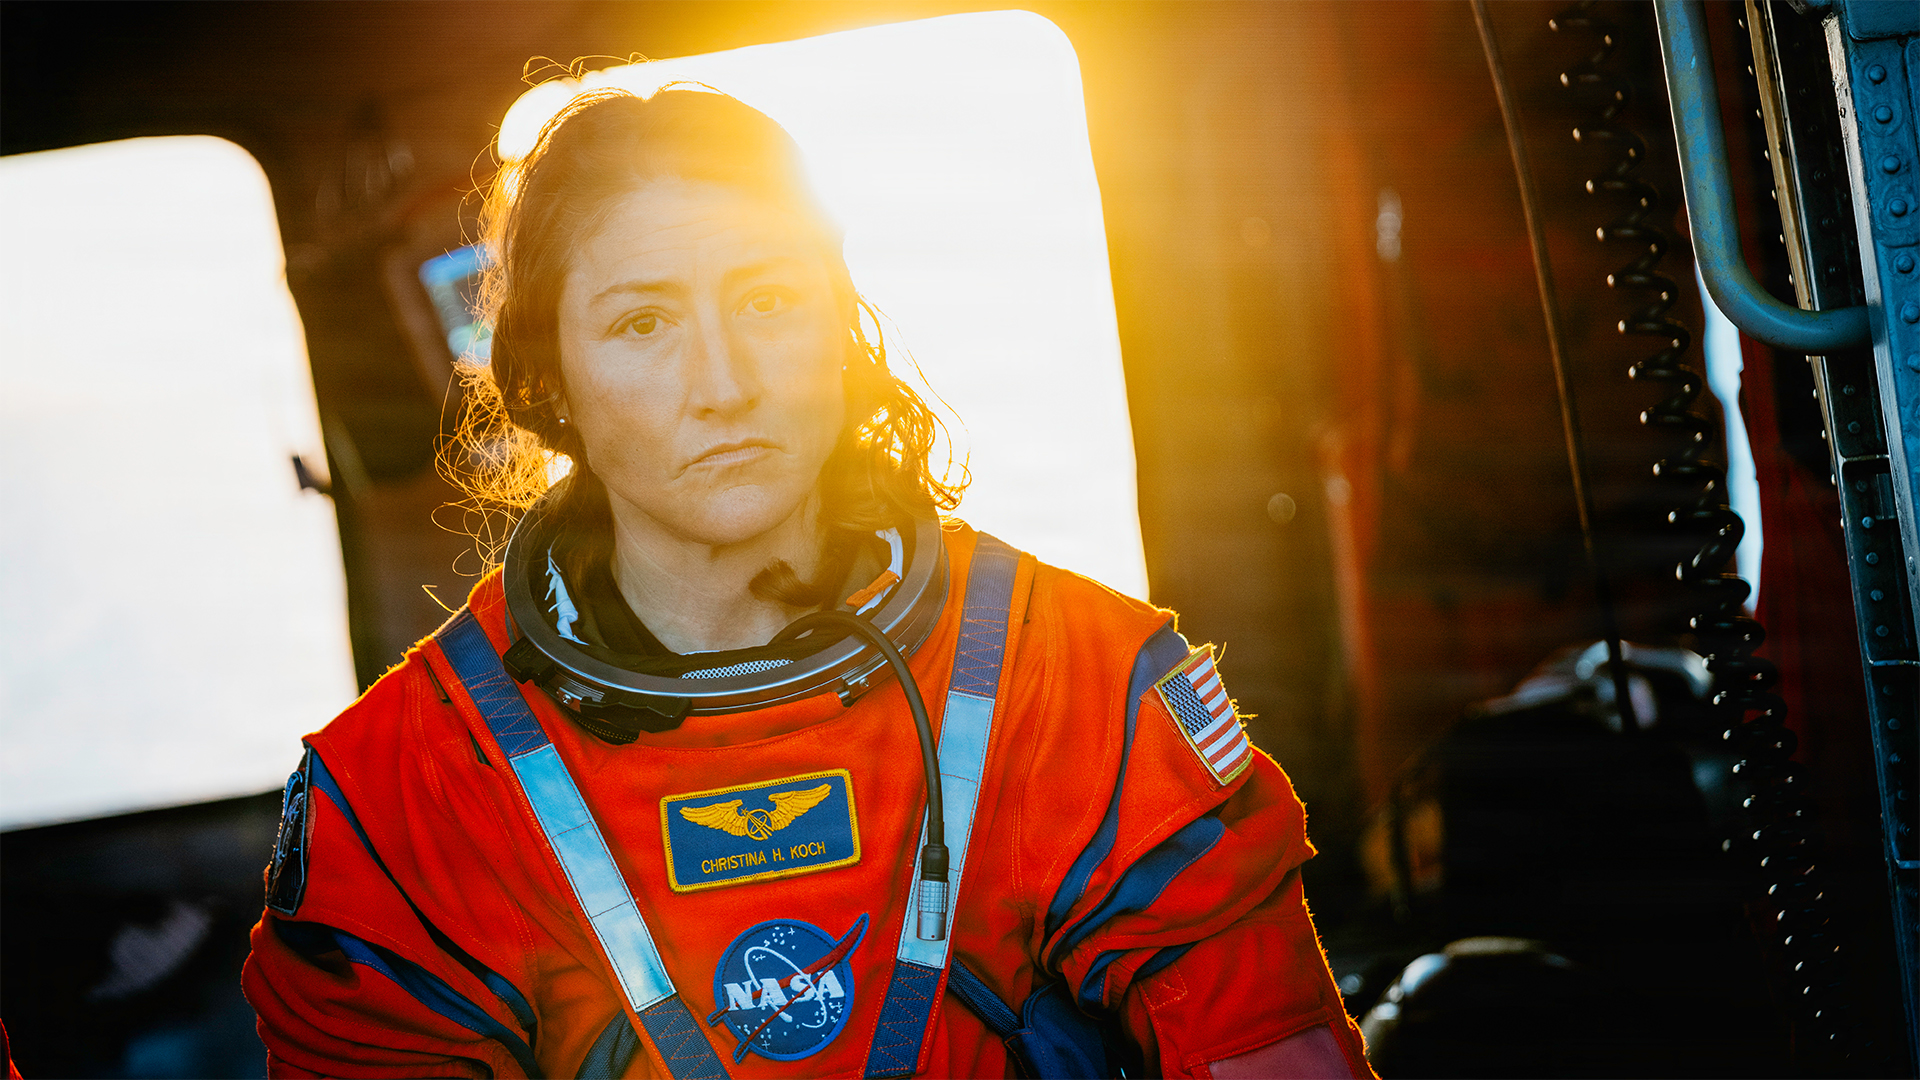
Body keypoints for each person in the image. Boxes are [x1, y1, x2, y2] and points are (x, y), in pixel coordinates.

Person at [241, 85, 1372, 1080]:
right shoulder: (404, 793)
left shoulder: (1079, 684)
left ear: (840, 326)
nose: (722, 382)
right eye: (643, 323)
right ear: (548, 377)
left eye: (768, 301)